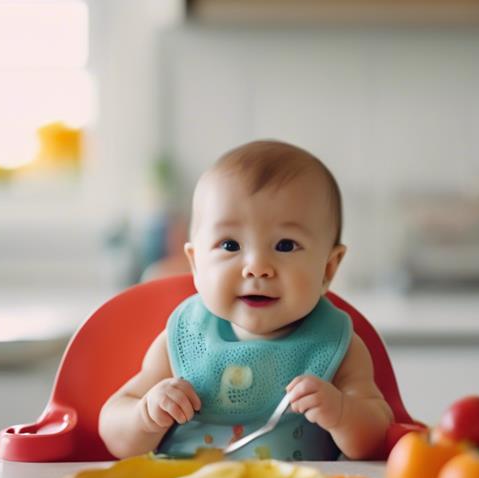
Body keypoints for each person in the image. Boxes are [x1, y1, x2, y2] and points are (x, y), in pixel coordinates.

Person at [99, 140, 393, 461]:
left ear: (328, 268)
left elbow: (377, 438)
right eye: (229, 244)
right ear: (196, 264)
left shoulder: (338, 347)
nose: (256, 267)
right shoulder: (182, 339)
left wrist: (341, 412)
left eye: (284, 245)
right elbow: (113, 431)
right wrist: (145, 414)